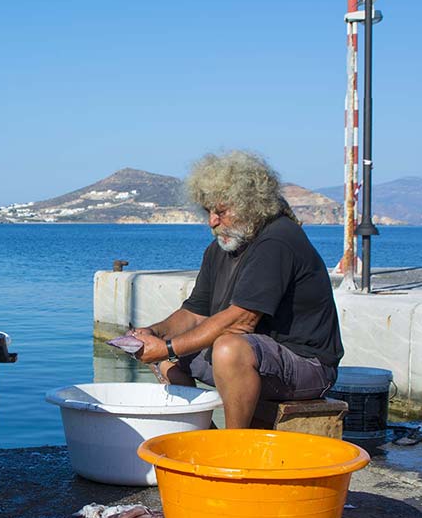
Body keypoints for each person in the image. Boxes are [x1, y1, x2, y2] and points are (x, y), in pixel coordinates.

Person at [128, 150, 343, 428]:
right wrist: (153, 334)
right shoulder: (219, 248)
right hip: (257, 355)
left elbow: (242, 320)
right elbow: (194, 313)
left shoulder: (277, 240)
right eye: (208, 212)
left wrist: (168, 347)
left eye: (221, 212)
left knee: (228, 348)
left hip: (308, 365)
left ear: (250, 205)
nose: (212, 222)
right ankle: (203, 431)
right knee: (167, 359)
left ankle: (234, 446)